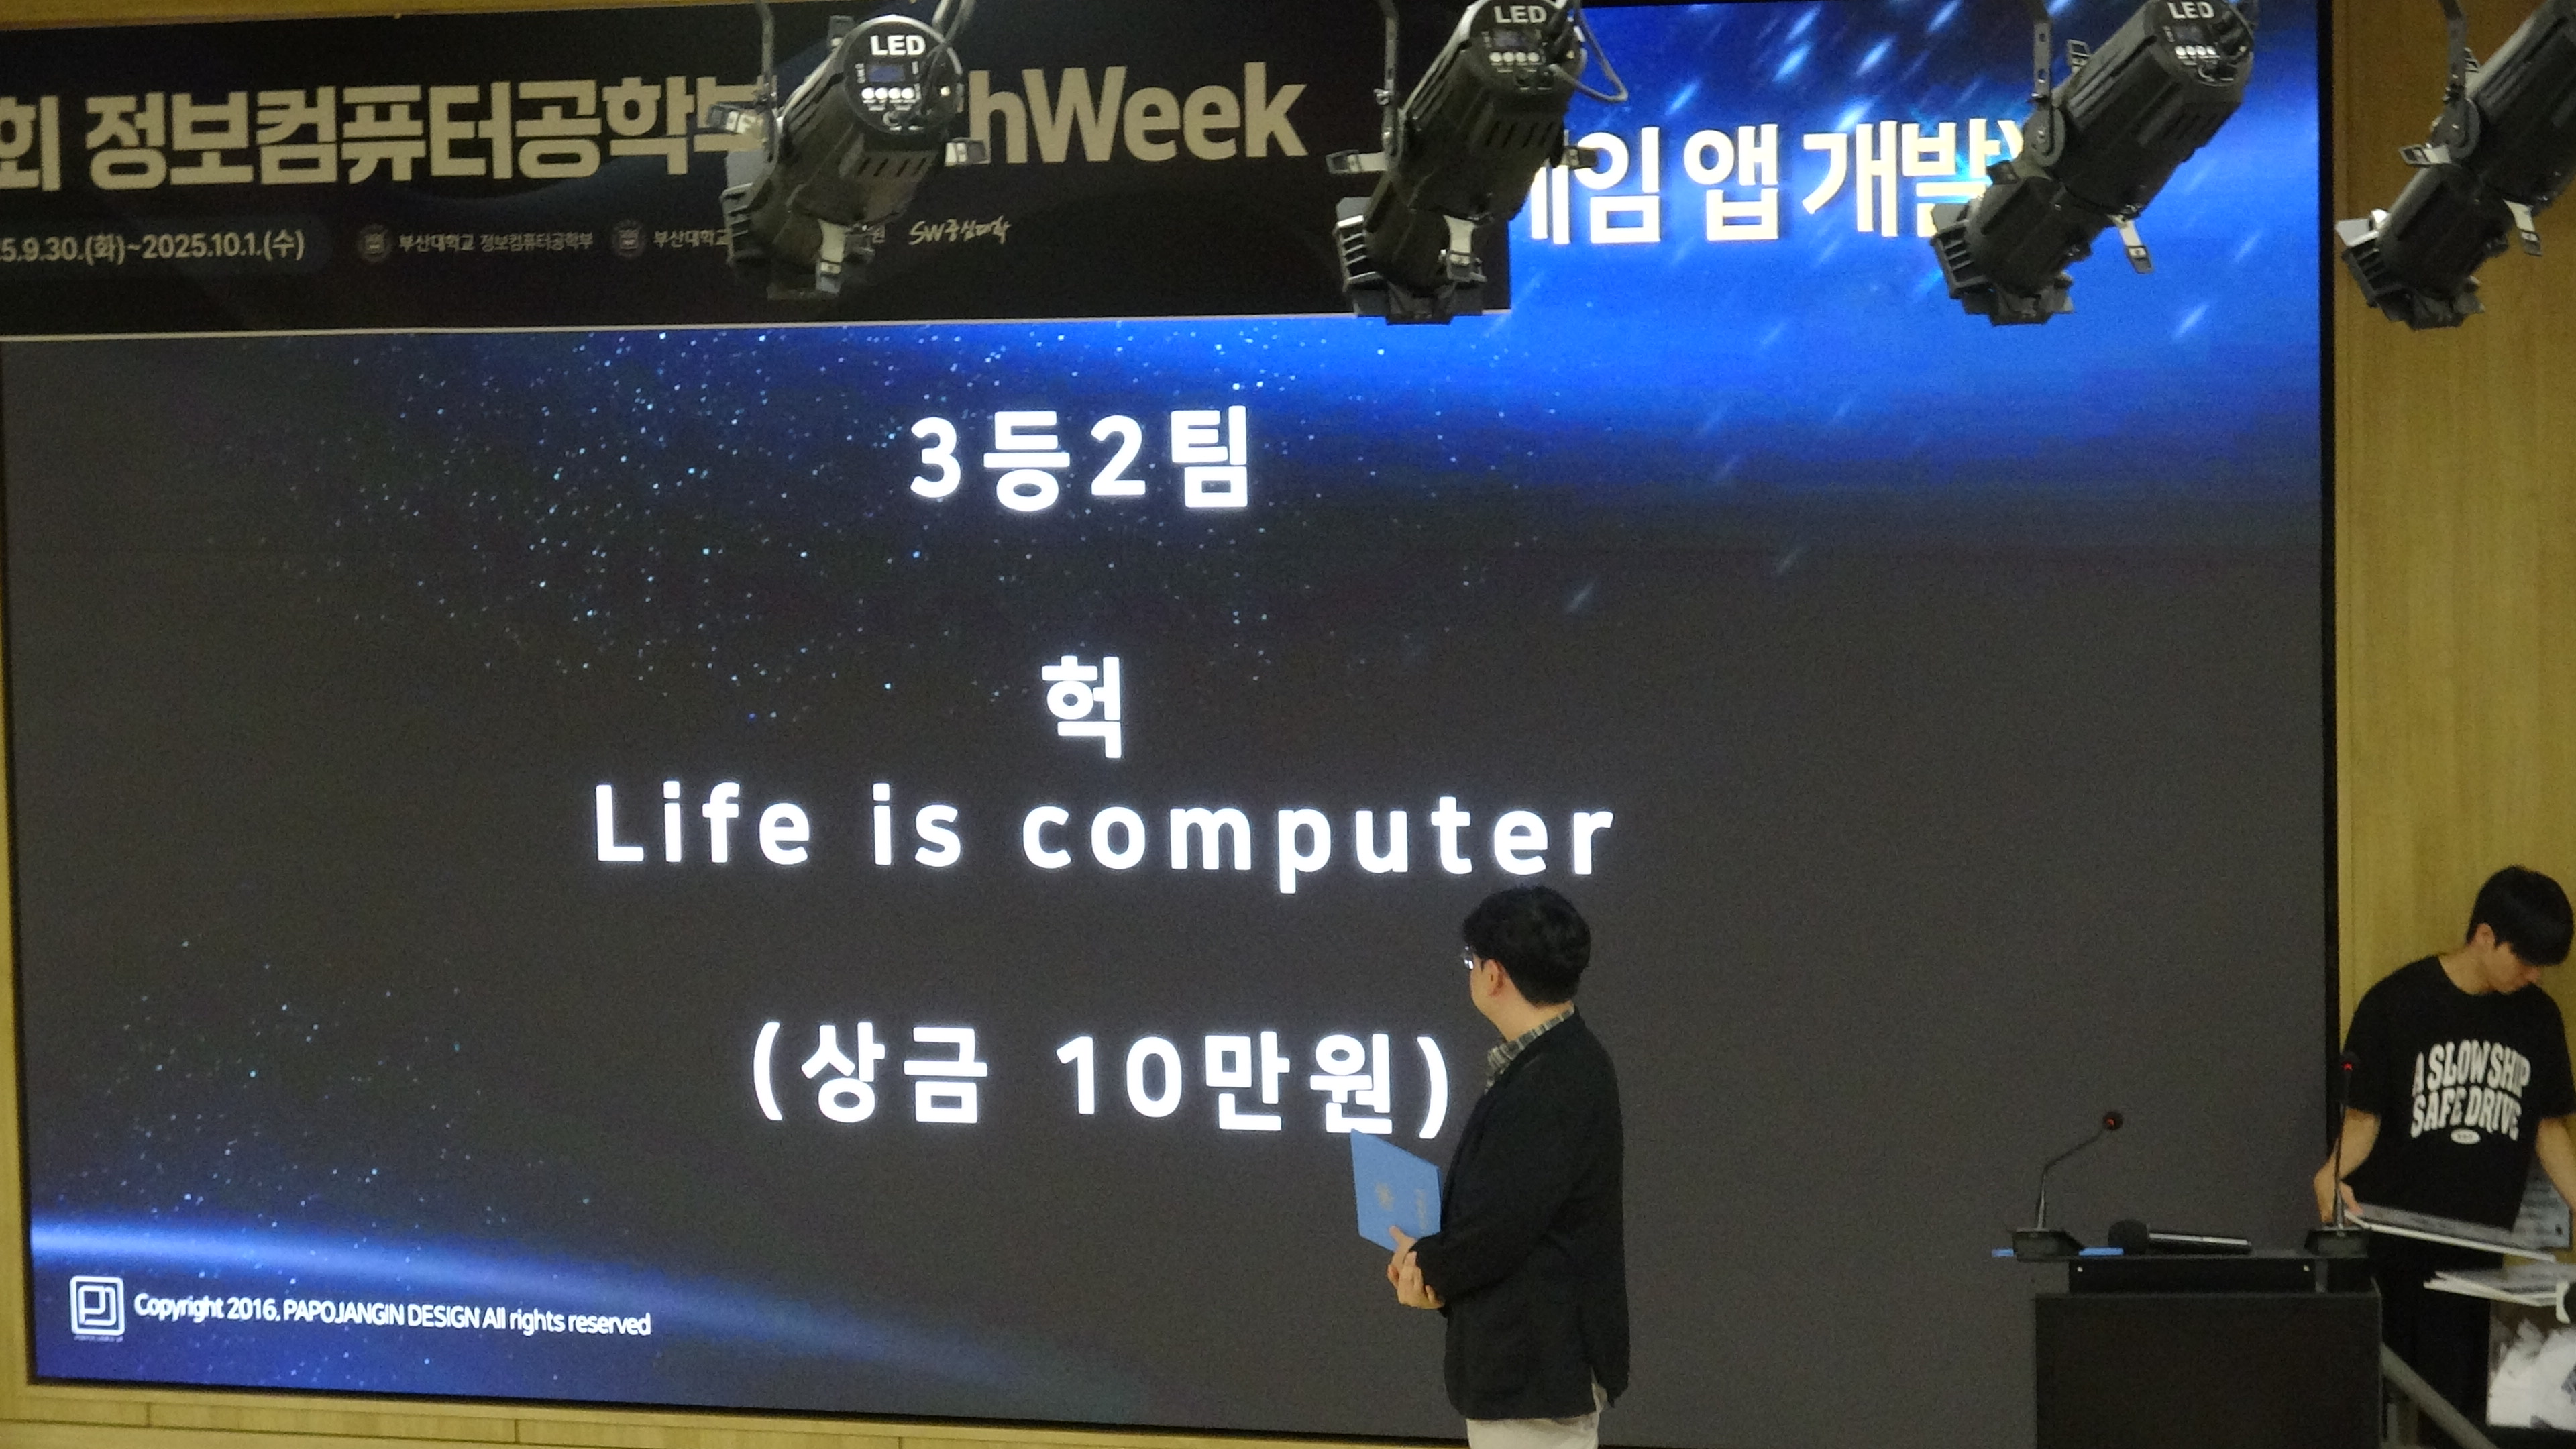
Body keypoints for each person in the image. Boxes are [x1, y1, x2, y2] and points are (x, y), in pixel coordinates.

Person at [2315, 865, 2576, 1438]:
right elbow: (2363, 1120)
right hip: (2396, 1253)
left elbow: (2549, 1130)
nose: (2534, 976)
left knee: (2465, 1419)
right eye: (2525, 960)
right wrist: (2330, 1175)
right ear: (2485, 936)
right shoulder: (2396, 1004)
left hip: (2482, 1260)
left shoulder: (2538, 1018)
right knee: (2383, 1412)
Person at [1385, 885, 1629, 1449]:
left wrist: (1428, 1269)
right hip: (1533, 1360)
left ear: (1493, 974)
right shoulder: (1561, 1061)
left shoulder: (1551, 1081)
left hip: (1535, 1366)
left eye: (1472, 961)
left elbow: (1501, 1227)